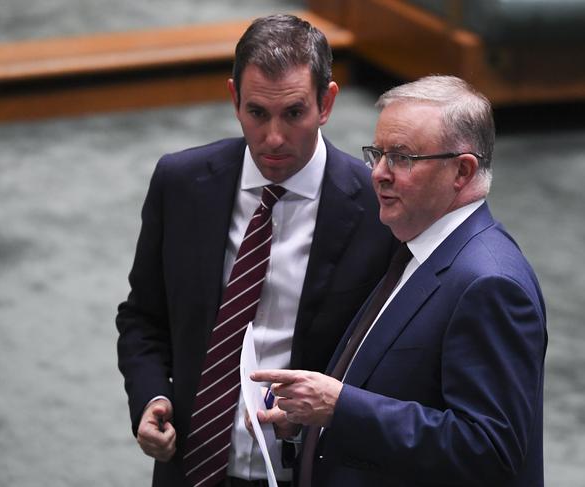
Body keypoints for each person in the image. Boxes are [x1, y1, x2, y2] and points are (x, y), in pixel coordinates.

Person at [115, 14, 395, 487]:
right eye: (257, 113)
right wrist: (148, 397)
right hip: (190, 467)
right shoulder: (180, 183)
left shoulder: (378, 208)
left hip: (309, 471)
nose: (274, 138)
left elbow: (391, 357)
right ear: (234, 100)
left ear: (326, 103)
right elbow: (143, 317)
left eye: (294, 113)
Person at [252, 75, 548, 487]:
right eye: (378, 154)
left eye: (402, 158)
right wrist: (311, 421)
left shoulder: (490, 284)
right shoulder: (415, 250)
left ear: (462, 171)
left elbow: (489, 449)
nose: (378, 174)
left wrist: (341, 408)